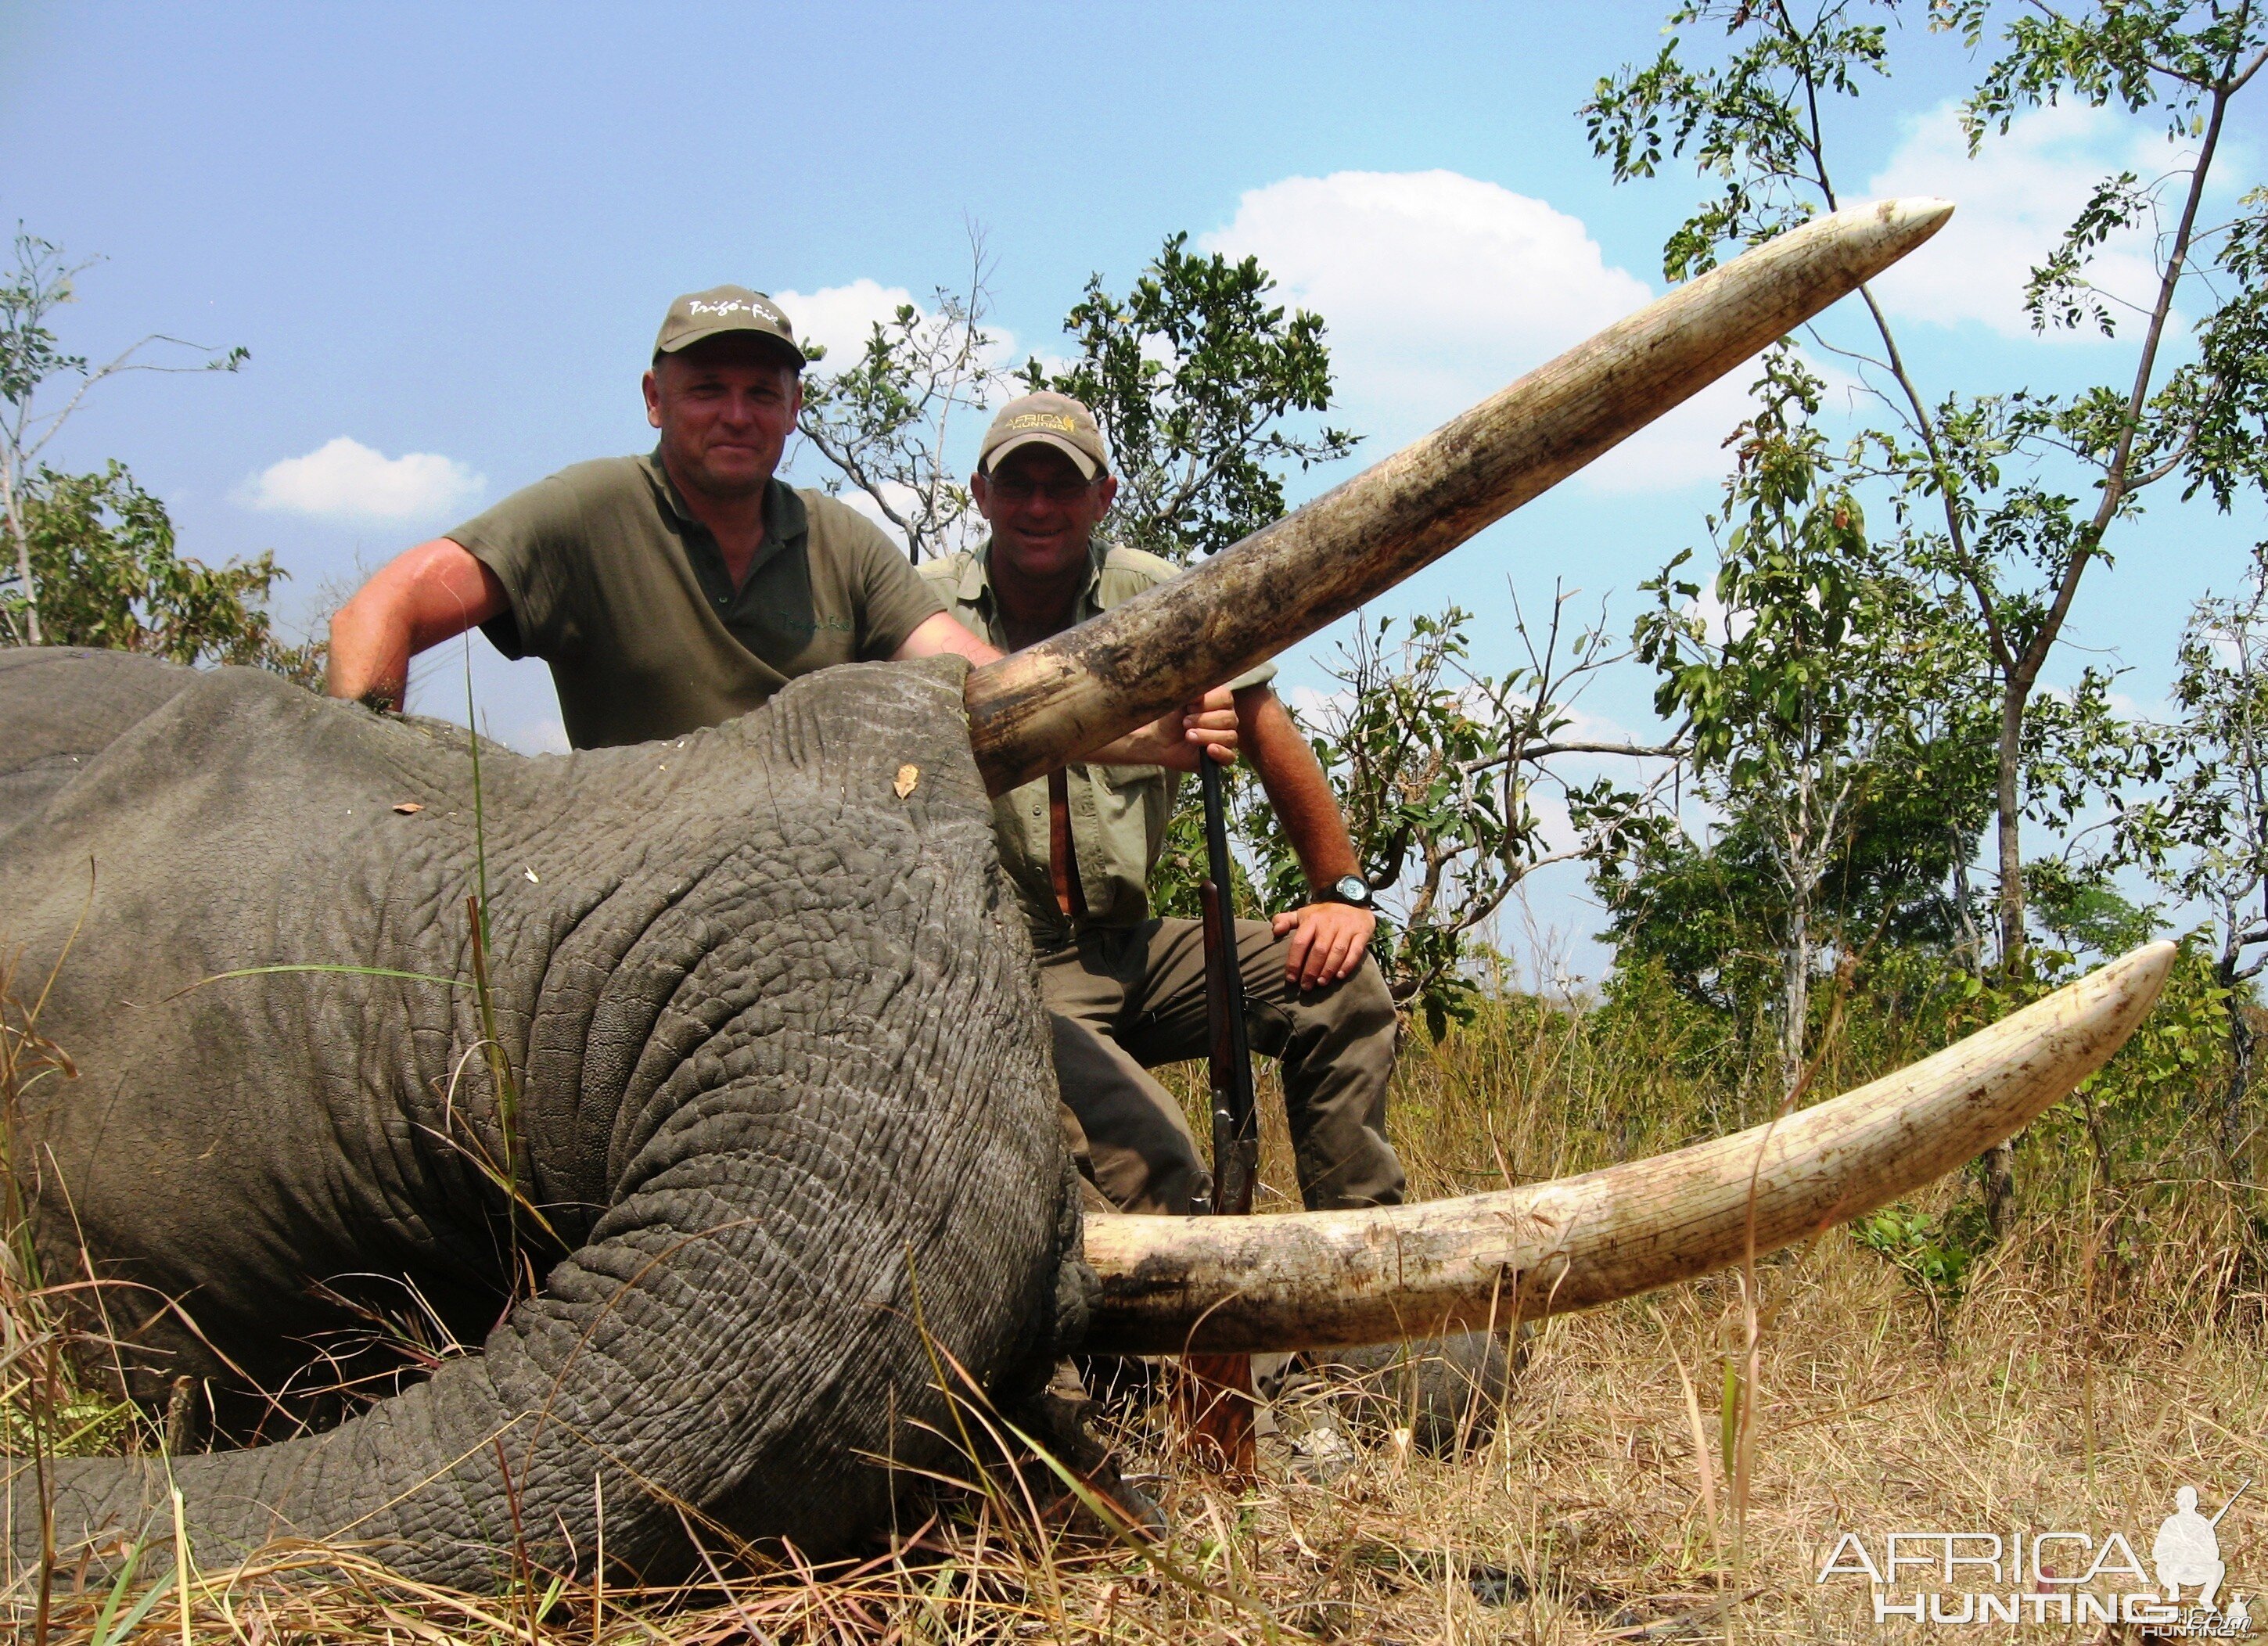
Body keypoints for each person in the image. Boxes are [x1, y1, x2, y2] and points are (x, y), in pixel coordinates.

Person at [325, 286, 1231, 772]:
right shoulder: (586, 511)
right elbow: (381, 607)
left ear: (794, 409)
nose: (736, 414)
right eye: (707, 389)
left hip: (814, 879)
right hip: (625, 878)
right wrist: (361, 786)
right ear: (654, 401)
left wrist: (1146, 733)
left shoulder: (837, 541)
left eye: (762, 393)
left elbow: (981, 684)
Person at [923, 391, 1405, 1216]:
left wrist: (1340, 893)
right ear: (980, 493)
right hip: (1006, 963)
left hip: (1135, 948)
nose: (1038, 505)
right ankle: (1191, 1340)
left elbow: (1263, 727)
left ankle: (1368, 1289)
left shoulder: (1156, 595)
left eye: (1062, 485)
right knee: (1160, 1158)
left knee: (1341, 980)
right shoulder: (922, 608)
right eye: (1017, 484)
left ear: (1103, 497)